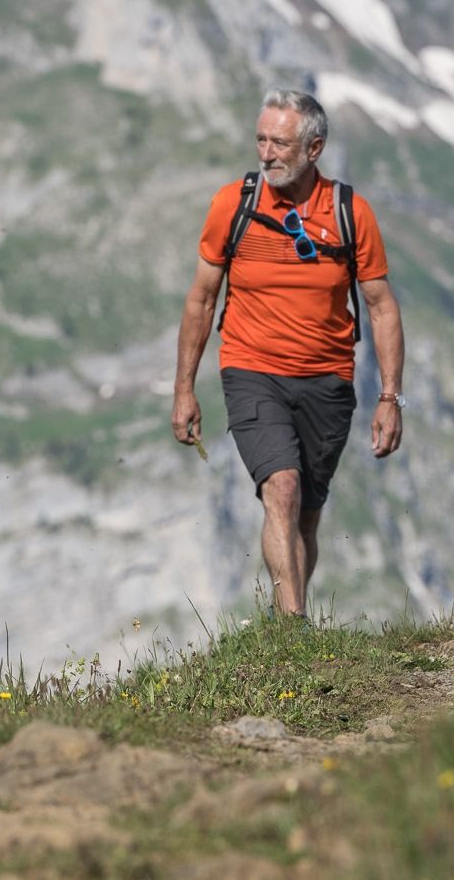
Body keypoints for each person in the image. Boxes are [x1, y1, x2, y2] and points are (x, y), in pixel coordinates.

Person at [172, 89, 405, 616]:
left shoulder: (350, 213)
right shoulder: (234, 204)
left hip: (328, 379)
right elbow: (202, 298)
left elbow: (382, 307)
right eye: (261, 140)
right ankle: (292, 630)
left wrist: (390, 396)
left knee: (306, 516)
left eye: (280, 143)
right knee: (281, 486)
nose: (267, 153)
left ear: (314, 148)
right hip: (251, 370)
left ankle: (287, 616)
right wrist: (184, 388)